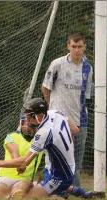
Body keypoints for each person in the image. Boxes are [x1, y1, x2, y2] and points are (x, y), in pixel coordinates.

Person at [0, 98, 78, 200]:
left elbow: (24, 160)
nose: (27, 121)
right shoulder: (13, 136)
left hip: (45, 176)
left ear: (39, 116)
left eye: (29, 118)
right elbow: (75, 130)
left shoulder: (41, 137)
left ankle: (56, 197)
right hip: (8, 176)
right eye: (25, 120)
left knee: (26, 194)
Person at [41, 32, 93, 187]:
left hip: (80, 120)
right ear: (68, 46)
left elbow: (86, 95)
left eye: (80, 46)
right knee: (54, 157)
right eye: (74, 46)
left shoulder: (88, 68)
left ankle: (75, 189)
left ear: (84, 47)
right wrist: (53, 109)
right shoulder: (57, 64)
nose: (77, 50)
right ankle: (50, 186)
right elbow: (45, 87)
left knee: (76, 160)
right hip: (59, 120)